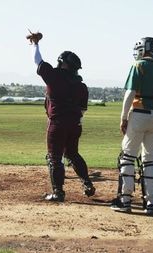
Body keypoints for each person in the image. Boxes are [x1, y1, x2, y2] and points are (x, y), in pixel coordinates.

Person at [27, 31, 95, 202]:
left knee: (54, 158)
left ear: (62, 64)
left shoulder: (55, 77)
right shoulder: (82, 86)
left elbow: (38, 61)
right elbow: (82, 111)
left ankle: (58, 192)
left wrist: (35, 43)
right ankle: (87, 183)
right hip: (75, 125)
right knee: (73, 154)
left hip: (57, 124)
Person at [110, 37, 153, 214]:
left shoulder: (138, 66)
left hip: (139, 115)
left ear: (143, 49)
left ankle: (125, 200)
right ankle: (151, 202)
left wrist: (123, 117)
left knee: (128, 156)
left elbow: (130, 93)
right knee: (150, 158)